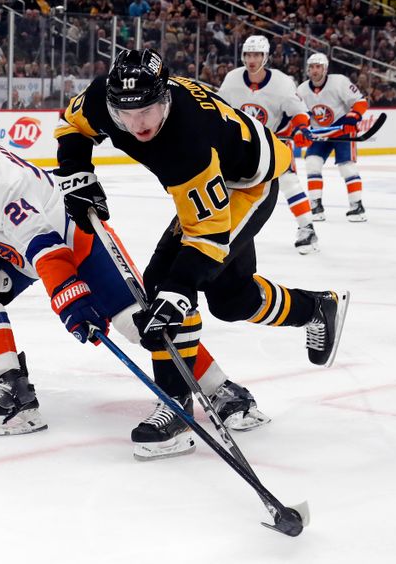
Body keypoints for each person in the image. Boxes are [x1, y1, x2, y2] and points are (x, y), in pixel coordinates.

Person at [0, 117, 270, 456]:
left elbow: (48, 252)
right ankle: (14, 392)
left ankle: (224, 391)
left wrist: (71, 300)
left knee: (135, 324)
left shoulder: (8, 186)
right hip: (10, 247)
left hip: (73, 241)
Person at [54, 49, 349, 458]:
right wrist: (76, 170)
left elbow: (206, 239)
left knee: (165, 286)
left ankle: (174, 408)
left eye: (149, 110)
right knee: (232, 301)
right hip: (214, 175)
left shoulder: (187, 140)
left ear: (167, 98)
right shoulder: (104, 96)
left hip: (246, 184)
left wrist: (179, 289)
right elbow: (72, 125)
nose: (138, 125)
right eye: (127, 114)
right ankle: (316, 308)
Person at [218, 35, 318, 254]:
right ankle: (218, 230)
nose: (252, 59)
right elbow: (220, 107)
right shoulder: (232, 79)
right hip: (244, 142)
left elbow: (298, 111)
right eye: (248, 54)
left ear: (266, 57)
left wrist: (302, 129)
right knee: (226, 184)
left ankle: (307, 228)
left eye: (257, 55)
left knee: (289, 181)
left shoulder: (282, 82)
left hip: (274, 140)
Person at [297, 53, 369, 222]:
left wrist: (352, 117)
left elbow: (360, 102)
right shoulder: (301, 90)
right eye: (312, 67)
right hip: (320, 132)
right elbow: (301, 114)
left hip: (342, 128)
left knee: (347, 167)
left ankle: (357, 206)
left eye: (318, 67)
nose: (314, 70)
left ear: (325, 68)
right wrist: (302, 128)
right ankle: (315, 206)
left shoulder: (339, 82)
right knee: (312, 163)